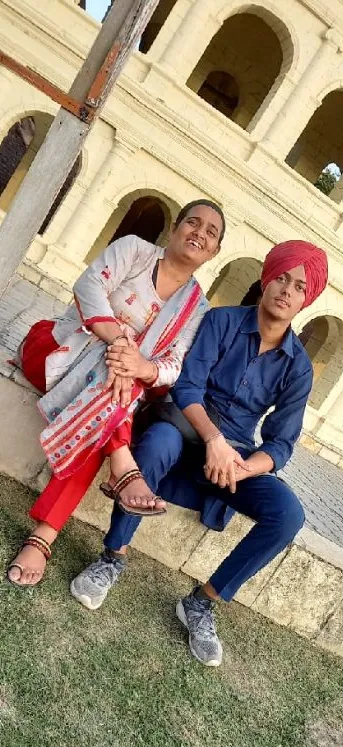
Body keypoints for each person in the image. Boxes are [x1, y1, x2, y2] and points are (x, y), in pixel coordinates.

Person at [71, 240, 328, 667]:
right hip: (185, 426)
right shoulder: (222, 321)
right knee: (156, 444)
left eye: (299, 286)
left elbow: (281, 443)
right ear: (266, 280)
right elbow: (187, 387)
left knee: (288, 514)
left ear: (306, 299)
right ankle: (112, 558)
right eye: (281, 277)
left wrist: (243, 468)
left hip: (232, 461)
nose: (286, 290)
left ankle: (202, 602)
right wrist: (214, 441)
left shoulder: (296, 366)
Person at [7, 200, 226, 587]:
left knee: (105, 409)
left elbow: (176, 363)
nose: (200, 233)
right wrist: (123, 345)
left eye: (211, 233)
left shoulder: (197, 308)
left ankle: (44, 536)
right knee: (114, 400)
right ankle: (121, 463)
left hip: (111, 396)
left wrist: (141, 367)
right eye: (193, 223)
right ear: (175, 228)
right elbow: (89, 286)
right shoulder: (134, 251)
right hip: (57, 352)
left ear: (214, 252)